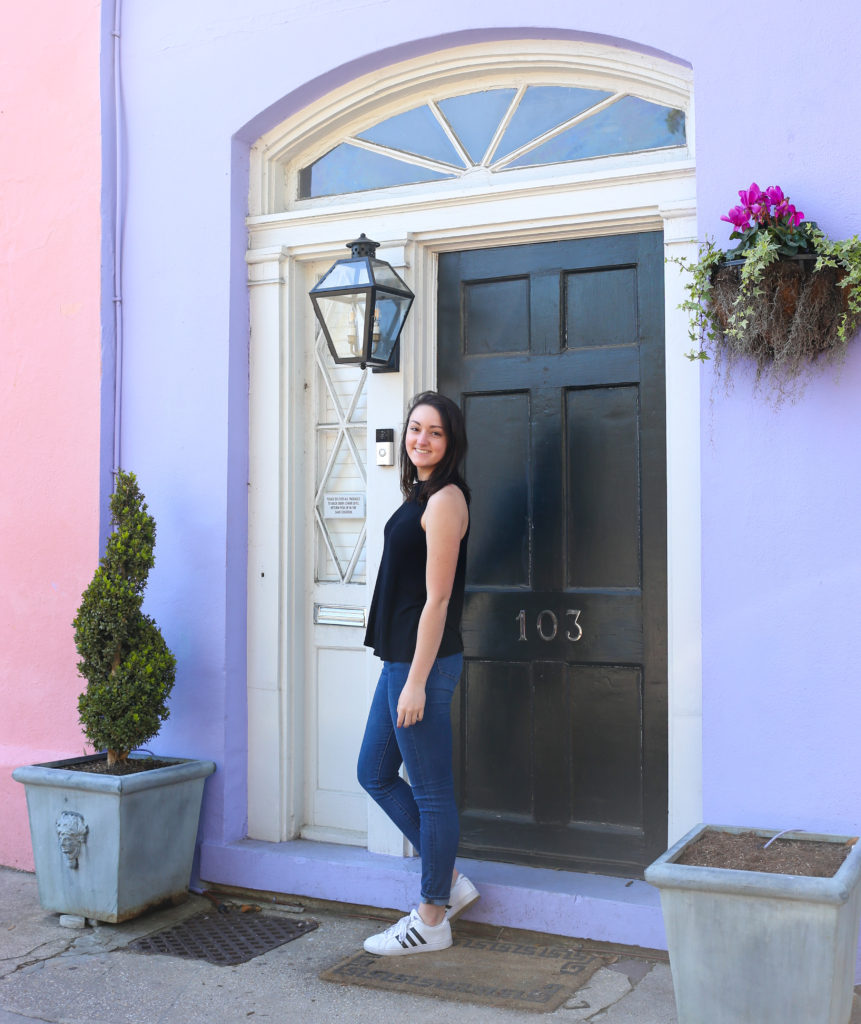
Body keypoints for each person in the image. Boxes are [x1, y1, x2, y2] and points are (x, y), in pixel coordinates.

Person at [358, 391, 479, 956]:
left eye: (434, 432)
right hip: (401, 660)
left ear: (449, 442)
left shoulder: (447, 499)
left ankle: (431, 918)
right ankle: (448, 880)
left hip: (422, 664)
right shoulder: (421, 494)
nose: (421, 440)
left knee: (432, 793)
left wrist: (415, 682)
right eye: (414, 429)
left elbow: (437, 601)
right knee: (374, 772)